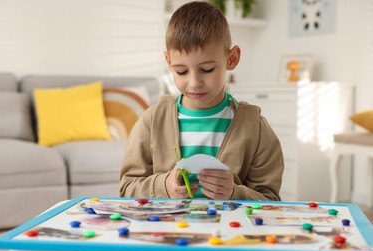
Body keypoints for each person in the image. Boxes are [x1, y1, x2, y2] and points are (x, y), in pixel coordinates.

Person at [120, 1, 284, 200]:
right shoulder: (152, 120)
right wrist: (164, 186)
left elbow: (270, 200)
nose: (194, 82)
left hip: (229, 230)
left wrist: (234, 192)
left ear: (231, 59)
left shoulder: (255, 127)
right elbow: (127, 188)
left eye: (207, 69)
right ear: (169, 63)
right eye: (181, 71)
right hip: (166, 229)